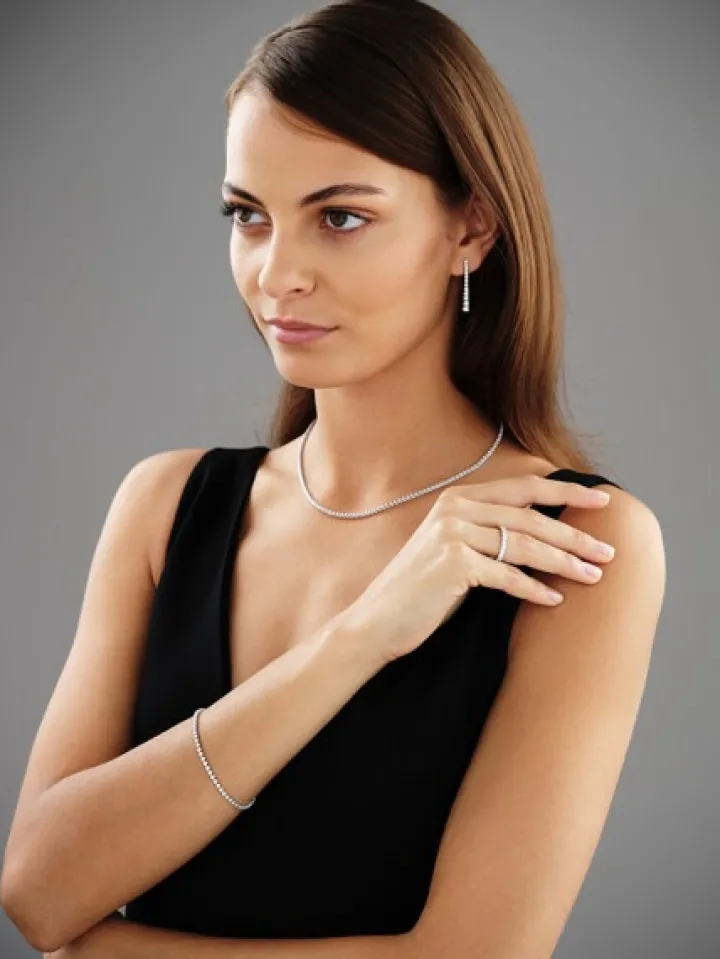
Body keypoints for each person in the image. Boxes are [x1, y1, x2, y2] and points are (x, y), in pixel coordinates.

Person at [1, 0, 666, 955]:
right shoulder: (164, 507)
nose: (277, 274)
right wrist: (360, 636)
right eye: (249, 216)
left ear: (472, 227)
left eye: (340, 217)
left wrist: (105, 949)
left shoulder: (576, 543)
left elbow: (471, 956)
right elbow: (36, 891)